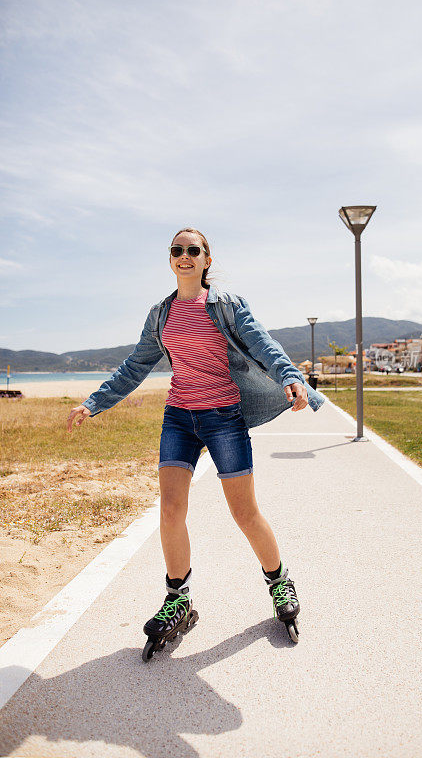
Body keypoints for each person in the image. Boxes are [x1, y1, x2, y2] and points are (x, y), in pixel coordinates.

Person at [67, 227, 326, 643]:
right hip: (179, 417)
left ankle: (280, 582)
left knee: (245, 513)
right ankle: (178, 599)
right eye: (177, 250)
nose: (184, 256)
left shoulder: (226, 305)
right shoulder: (161, 314)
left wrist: (291, 377)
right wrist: (94, 402)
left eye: (193, 250)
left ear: (207, 259)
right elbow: (136, 365)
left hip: (223, 416)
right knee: (170, 510)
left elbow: (264, 345)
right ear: (170, 259)